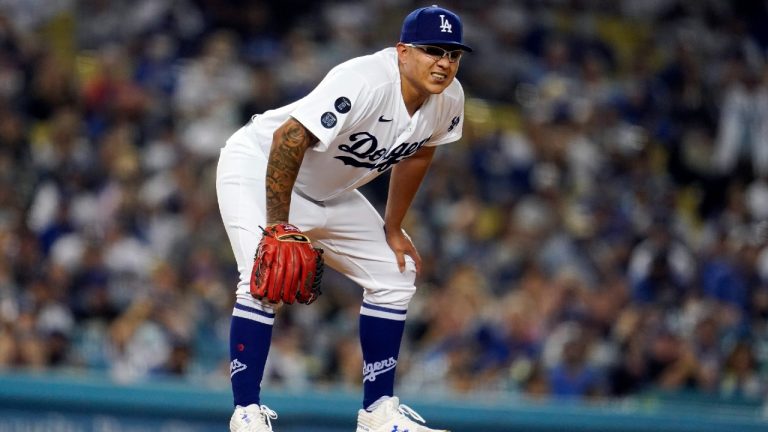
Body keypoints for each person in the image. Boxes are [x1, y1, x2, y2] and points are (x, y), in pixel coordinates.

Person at [216, 5, 472, 432]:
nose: (444, 63)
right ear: (403, 51)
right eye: (432, 50)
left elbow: (421, 150)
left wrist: (393, 226)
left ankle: (378, 413)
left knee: (396, 272)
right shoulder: (366, 79)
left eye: (453, 53)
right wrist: (279, 226)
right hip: (260, 168)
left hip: (328, 191)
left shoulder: (450, 98)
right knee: (264, 273)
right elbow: (289, 138)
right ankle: (246, 413)